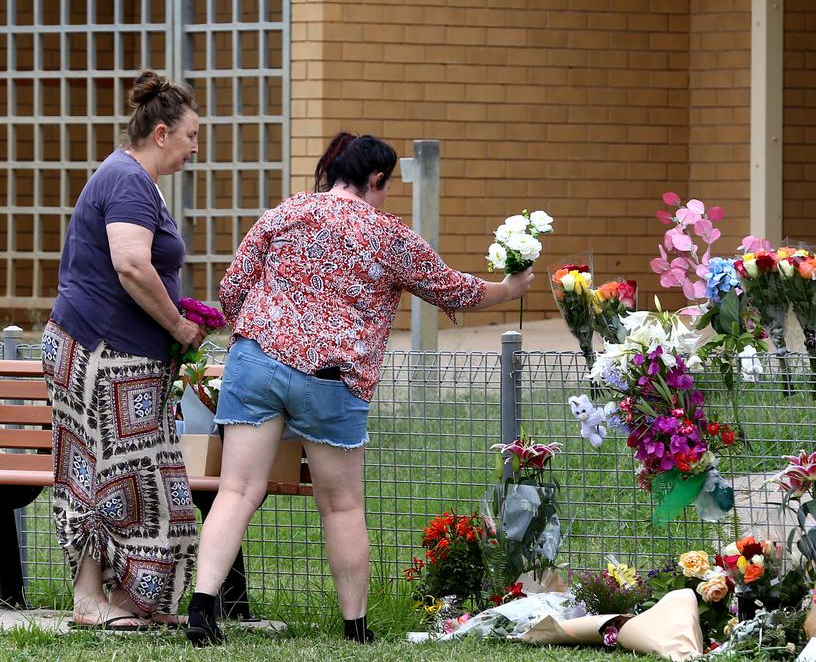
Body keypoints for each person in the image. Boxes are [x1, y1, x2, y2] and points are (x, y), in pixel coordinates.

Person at [185, 132, 534, 646]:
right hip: (332, 379)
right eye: (386, 185)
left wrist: (257, 341)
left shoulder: (285, 212)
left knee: (236, 491)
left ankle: (201, 610)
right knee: (341, 506)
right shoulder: (390, 236)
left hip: (254, 361)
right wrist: (509, 288)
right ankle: (355, 628)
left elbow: (232, 287)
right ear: (375, 180)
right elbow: (453, 289)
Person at [40, 70, 205, 630]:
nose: (195, 148)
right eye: (190, 136)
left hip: (117, 352)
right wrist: (180, 326)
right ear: (161, 133)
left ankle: (135, 602)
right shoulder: (130, 180)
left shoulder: (133, 179)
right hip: (100, 349)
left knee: (142, 480)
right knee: (105, 474)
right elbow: (132, 264)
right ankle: (91, 600)